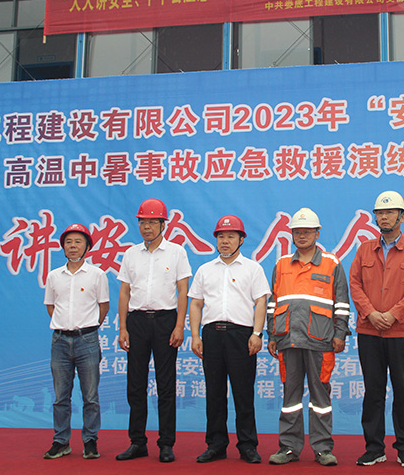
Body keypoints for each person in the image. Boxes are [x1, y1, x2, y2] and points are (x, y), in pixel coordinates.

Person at [349, 190, 404, 468]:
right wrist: (371, 313)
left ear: (401, 216)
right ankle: (374, 448)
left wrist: (393, 315)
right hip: (370, 331)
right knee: (373, 391)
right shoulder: (364, 250)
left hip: (403, 332)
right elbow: (355, 284)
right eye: (380, 213)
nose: (383, 217)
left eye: (389, 212)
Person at [266, 207, 350, 466]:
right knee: (290, 398)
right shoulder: (281, 264)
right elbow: (273, 302)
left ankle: (323, 448)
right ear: (292, 234)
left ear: (317, 233)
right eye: (297, 232)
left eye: (307, 231)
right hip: (287, 339)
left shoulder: (332, 263)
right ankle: (288, 447)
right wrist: (272, 334)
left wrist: (339, 334)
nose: (301, 236)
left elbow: (342, 303)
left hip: (320, 340)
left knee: (320, 398)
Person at [189, 215, 270, 464]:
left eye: (231, 236)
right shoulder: (205, 270)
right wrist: (195, 335)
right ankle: (216, 444)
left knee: (243, 393)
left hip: (241, 335)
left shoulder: (252, 269)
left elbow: (261, 302)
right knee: (214, 392)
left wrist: (257, 333)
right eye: (221, 236)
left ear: (241, 240)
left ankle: (247, 445)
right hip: (212, 334)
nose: (225, 241)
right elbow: (196, 304)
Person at [115, 198, 192, 463]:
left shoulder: (176, 252)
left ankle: (166, 443)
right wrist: (123, 327)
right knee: (135, 385)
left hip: (165, 321)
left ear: (163, 224)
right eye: (142, 222)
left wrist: (180, 325)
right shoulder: (131, 254)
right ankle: (137, 442)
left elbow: (183, 291)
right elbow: (124, 292)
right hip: (136, 321)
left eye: (151, 222)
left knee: (166, 385)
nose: (146, 227)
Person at [43, 223, 109, 460]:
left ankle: (90, 441)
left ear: (87, 247)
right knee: (61, 396)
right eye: (68, 242)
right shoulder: (54, 276)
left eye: (78, 242)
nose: (73, 246)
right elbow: (51, 306)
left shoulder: (97, 275)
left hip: (87, 340)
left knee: (90, 396)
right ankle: (61, 441)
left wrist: (87, 327)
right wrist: (65, 325)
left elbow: (103, 306)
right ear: (63, 247)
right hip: (60, 340)